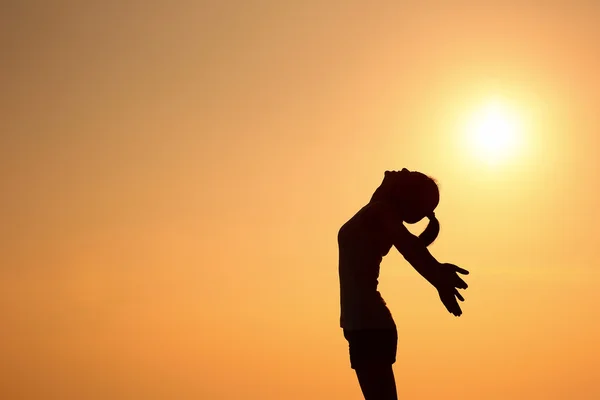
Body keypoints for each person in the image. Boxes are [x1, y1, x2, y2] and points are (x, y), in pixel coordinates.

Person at [338, 168, 469, 400]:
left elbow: (410, 248)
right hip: (361, 325)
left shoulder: (382, 214)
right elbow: (409, 246)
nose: (428, 214)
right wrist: (435, 270)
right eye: (427, 207)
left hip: (369, 325)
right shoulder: (378, 211)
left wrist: (437, 275)